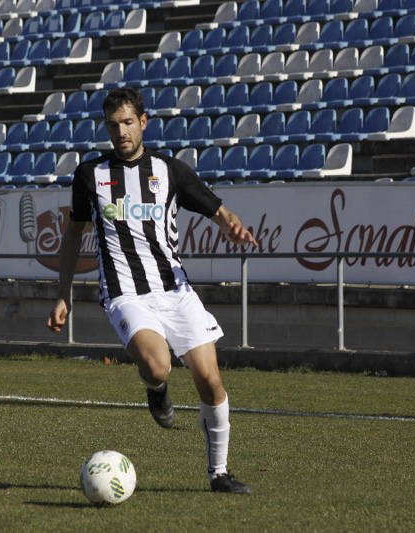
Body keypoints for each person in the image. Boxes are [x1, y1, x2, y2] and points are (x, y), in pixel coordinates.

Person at [46, 87, 258, 494]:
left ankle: (219, 474)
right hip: (126, 293)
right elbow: (73, 235)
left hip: (175, 291)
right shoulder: (89, 175)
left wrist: (230, 223)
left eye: (128, 123)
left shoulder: (170, 170)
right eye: (113, 125)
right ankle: (156, 389)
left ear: (143, 122)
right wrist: (63, 293)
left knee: (211, 382)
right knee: (158, 366)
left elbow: (217, 209)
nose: (121, 132)